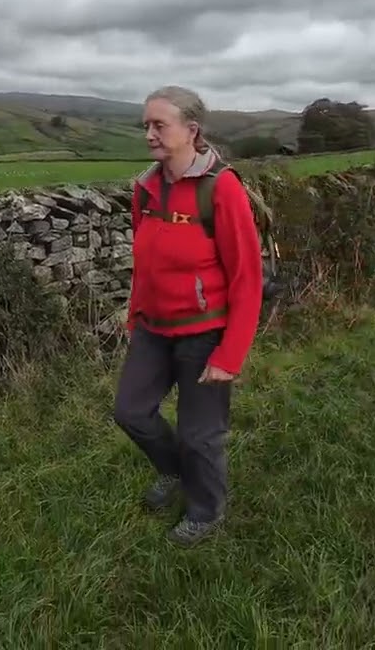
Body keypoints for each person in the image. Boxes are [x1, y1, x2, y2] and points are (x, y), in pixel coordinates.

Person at [114, 85, 264, 547]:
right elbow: (147, 256)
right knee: (130, 412)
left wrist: (230, 353)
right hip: (154, 328)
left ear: (192, 131)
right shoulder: (146, 188)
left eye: (159, 125)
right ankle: (175, 470)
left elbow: (247, 278)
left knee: (202, 435)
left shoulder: (221, 188)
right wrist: (136, 311)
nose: (150, 135)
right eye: (146, 126)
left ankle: (206, 509)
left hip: (204, 335)